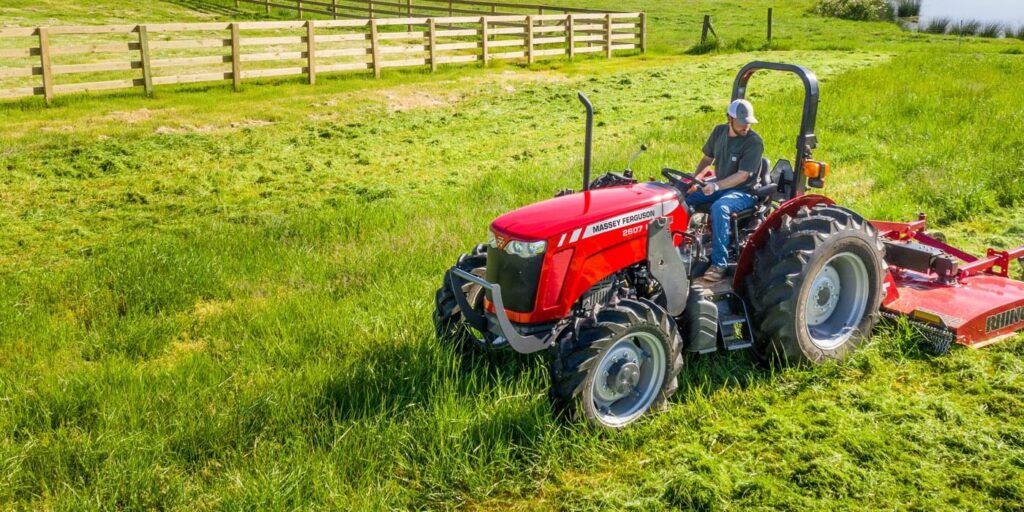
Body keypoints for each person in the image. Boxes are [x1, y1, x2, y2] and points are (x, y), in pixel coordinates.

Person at [688, 99, 764, 282]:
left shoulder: (754, 142)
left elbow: (742, 176)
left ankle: (719, 264)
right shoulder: (719, 132)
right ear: (729, 118)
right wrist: (694, 180)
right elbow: (707, 159)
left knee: (720, 207)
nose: (746, 126)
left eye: (748, 122)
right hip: (720, 185)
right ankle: (681, 245)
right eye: (742, 122)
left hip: (744, 192)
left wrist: (715, 186)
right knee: (683, 197)